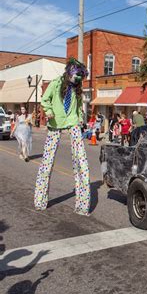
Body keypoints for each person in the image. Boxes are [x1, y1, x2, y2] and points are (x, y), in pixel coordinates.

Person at [34, 58, 90, 216]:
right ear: (69, 73)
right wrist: (48, 110)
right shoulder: (55, 83)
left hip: (72, 123)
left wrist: (79, 116)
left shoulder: (77, 88)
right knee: (47, 163)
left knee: (82, 162)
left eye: (80, 77)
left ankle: (82, 205)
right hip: (55, 123)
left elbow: (79, 105)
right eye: (76, 76)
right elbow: (45, 100)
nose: (77, 80)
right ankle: (40, 201)